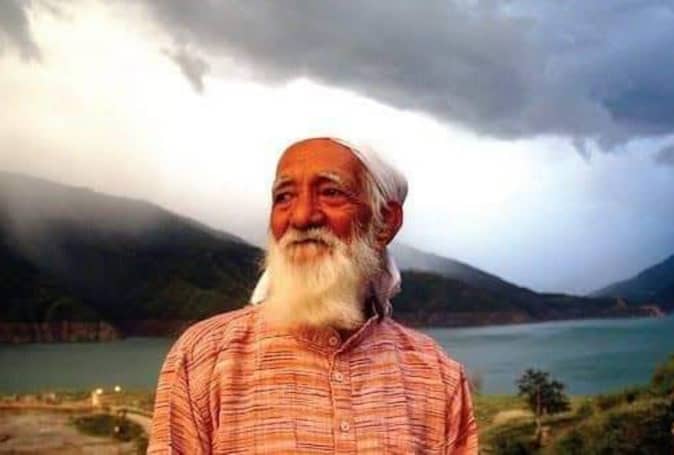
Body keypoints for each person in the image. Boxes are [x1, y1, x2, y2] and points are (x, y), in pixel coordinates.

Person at [148, 137, 478, 454]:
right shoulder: (204, 358)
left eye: (331, 193)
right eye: (284, 197)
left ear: (384, 222)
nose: (302, 216)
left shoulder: (436, 375)